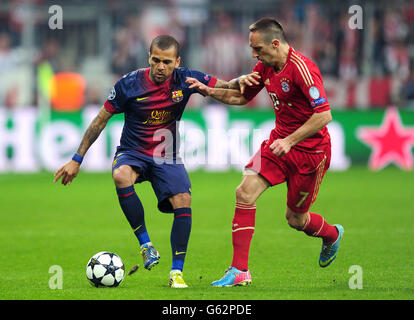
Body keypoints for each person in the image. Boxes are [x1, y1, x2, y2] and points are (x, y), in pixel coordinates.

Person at [53, 35, 241, 288]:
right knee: (120, 175)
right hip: (133, 150)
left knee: (183, 201)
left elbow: (228, 86)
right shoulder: (128, 84)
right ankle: (145, 245)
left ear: (177, 61)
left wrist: (251, 80)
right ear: (148, 57)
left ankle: (176, 272)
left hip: (167, 153)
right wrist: (77, 159)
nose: (161, 66)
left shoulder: (187, 78)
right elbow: (100, 120)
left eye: (167, 61)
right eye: (156, 60)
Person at [186, 17, 344, 287]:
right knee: (244, 192)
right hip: (277, 144)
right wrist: (208, 91)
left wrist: (291, 140)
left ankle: (331, 235)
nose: (253, 54)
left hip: (310, 153)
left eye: (257, 49)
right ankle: (239, 271)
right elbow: (242, 97)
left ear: (274, 43)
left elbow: (324, 114)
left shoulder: (303, 70)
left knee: (296, 218)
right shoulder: (266, 66)